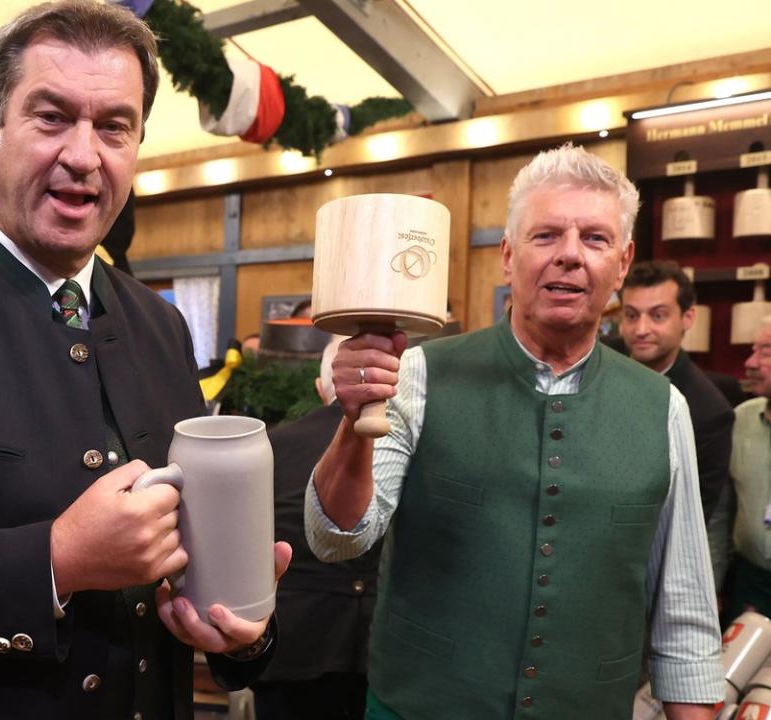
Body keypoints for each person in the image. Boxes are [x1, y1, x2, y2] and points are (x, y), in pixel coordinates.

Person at [0, 3, 289, 719]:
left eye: (114, 126)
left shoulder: (159, 325)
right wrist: (55, 560)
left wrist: (237, 632)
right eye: (52, 116)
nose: (84, 155)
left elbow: (190, 562)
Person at [306, 144, 722, 720]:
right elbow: (338, 538)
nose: (570, 256)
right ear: (508, 255)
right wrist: (354, 424)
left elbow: (685, 611)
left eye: (595, 239)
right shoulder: (422, 375)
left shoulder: (664, 409)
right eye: (546, 235)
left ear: (622, 265)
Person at [252, 337, 382, 720]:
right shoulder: (393, 442)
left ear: (319, 387)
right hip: (380, 647)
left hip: (291, 641)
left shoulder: (269, 444)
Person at [619, 259, 733, 521]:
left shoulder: (710, 412)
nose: (641, 329)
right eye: (632, 315)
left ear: (688, 317)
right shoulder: (598, 361)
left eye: (658, 315)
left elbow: (692, 518)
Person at [714, 317, 771, 621]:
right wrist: (712, 583)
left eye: (766, 352)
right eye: (754, 350)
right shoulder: (741, 419)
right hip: (750, 585)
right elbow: (722, 514)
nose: (750, 363)